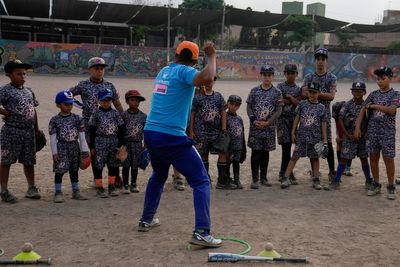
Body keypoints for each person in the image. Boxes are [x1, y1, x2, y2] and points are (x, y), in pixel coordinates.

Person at [138, 41, 222, 248]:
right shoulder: (185, 72)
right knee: (201, 181)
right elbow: (208, 77)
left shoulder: (164, 71)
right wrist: (211, 56)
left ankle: (146, 219)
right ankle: (202, 232)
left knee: (158, 175)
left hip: (151, 133)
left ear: (176, 55)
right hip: (171, 137)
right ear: (194, 60)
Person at [69, 57, 123, 183]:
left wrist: (122, 117)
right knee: (95, 151)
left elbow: (117, 103)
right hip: (90, 125)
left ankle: (115, 176)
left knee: (113, 150)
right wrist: (80, 105)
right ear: (90, 70)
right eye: (97, 68)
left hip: (109, 125)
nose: (100, 71)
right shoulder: (83, 85)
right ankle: (97, 178)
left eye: (102, 69)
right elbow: (67, 94)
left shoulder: (109, 86)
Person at [354, 66, 400, 200]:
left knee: (388, 158)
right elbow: (363, 109)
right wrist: (357, 127)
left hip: (388, 132)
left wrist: (374, 106)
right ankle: (376, 183)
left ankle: (391, 186)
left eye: (383, 78)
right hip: (373, 131)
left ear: (390, 79)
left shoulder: (395, 94)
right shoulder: (373, 94)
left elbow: (391, 110)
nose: (380, 81)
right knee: (373, 157)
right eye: (378, 78)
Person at [0, 60, 42, 204]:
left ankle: (31, 188)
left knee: (29, 161)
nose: (22, 76)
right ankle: (4, 190)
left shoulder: (29, 90)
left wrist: (36, 129)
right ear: (9, 75)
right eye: (18, 74)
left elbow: (33, 109)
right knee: (6, 161)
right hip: (11, 130)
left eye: (24, 73)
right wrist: (6, 112)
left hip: (28, 132)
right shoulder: (5, 90)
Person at [189, 77, 234, 189]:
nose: (209, 83)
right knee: (204, 155)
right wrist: (191, 130)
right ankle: (206, 179)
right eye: (207, 81)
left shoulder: (218, 96)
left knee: (222, 153)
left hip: (216, 131)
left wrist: (223, 129)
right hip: (201, 131)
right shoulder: (198, 97)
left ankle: (221, 180)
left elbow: (223, 112)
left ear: (214, 82)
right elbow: (193, 114)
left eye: (211, 81)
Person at [281, 82, 327, 190]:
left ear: (318, 93)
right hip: (301, 136)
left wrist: (324, 139)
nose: (312, 94)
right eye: (310, 92)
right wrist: (293, 132)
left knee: (315, 158)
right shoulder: (302, 104)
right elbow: (297, 118)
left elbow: (323, 123)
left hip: (315, 137)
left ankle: (316, 179)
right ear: (307, 92)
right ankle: (286, 177)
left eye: (314, 92)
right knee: (294, 156)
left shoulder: (321, 107)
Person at [326, 82, 372, 190]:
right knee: (343, 159)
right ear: (351, 92)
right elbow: (340, 119)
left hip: (362, 138)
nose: (357, 93)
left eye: (360, 91)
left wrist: (363, 133)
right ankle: (336, 181)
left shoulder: (367, 105)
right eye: (355, 91)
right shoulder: (347, 105)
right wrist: (346, 134)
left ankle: (368, 180)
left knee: (364, 159)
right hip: (349, 137)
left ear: (364, 92)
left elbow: (369, 120)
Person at [303, 48, 337, 181]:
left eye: (323, 59)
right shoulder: (309, 77)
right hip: (310, 116)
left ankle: (332, 171)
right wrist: (321, 94)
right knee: (313, 143)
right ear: (315, 61)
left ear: (326, 61)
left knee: (327, 142)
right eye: (318, 59)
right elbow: (304, 93)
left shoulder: (331, 77)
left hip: (325, 116)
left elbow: (331, 96)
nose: (320, 61)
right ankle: (314, 171)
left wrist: (314, 93)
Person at [49, 91, 90, 203]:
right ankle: (58, 192)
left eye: (70, 104)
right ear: (58, 105)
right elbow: (53, 138)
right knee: (59, 170)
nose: (69, 106)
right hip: (61, 147)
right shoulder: (54, 120)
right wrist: (54, 152)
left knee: (74, 170)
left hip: (74, 146)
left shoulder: (77, 118)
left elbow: (82, 136)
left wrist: (84, 150)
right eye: (66, 104)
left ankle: (76, 191)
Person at [246, 65, 283, 189]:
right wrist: (253, 120)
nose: (267, 77)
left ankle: (264, 178)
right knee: (255, 153)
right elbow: (249, 106)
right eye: (265, 75)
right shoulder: (254, 91)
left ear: (272, 76)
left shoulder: (277, 92)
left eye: (269, 75)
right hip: (255, 127)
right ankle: (255, 179)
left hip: (268, 128)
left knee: (265, 153)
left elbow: (278, 110)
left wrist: (268, 122)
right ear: (261, 76)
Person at [89, 89, 125, 198]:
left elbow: (121, 128)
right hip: (100, 141)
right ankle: (100, 187)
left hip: (113, 141)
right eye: (103, 100)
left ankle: (111, 186)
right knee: (99, 165)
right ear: (98, 101)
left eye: (108, 100)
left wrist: (120, 144)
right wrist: (92, 146)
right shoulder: (96, 113)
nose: (106, 102)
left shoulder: (115, 113)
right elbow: (91, 129)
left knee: (113, 165)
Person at [276, 64, 301, 186]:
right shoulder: (280, 86)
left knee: (291, 147)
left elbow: (299, 104)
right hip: (282, 120)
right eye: (288, 73)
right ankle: (284, 172)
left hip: (293, 120)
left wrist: (290, 98)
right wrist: (293, 100)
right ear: (285, 74)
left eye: (293, 73)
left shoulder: (298, 88)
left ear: (296, 74)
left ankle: (287, 172)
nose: (291, 75)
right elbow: (279, 101)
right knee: (285, 147)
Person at [121, 89, 147, 194]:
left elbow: (146, 131)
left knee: (135, 165)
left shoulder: (143, 116)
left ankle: (134, 184)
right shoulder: (123, 115)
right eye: (132, 100)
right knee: (125, 165)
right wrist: (120, 145)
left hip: (137, 144)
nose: (135, 102)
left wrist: (145, 144)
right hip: (126, 144)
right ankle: (125, 185)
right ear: (127, 101)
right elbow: (120, 131)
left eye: (137, 100)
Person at [225, 95, 246, 189]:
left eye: (237, 105)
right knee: (227, 163)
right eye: (232, 104)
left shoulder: (239, 119)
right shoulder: (224, 117)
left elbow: (242, 134)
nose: (234, 107)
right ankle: (227, 179)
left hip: (238, 146)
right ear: (228, 103)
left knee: (236, 163)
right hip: (228, 147)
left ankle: (237, 179)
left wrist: (243, 148)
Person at [332, 101, 353, 176]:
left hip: (346, 135)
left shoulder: (346, 116)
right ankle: (342, 167)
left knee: (348, 150)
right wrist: (338, 136)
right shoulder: (336, 117)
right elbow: (337, 127)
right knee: (339, 147)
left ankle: (347, 168)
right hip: (340, 135)